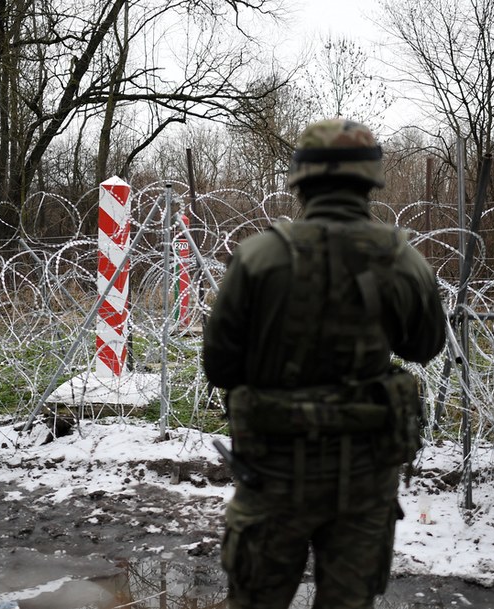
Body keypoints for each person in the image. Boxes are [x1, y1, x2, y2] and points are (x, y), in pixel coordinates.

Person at [202, 118, 446, 609]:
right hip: (365, 474)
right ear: (370, 180)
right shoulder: (401, 258)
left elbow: (220, 367)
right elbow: (425, 345)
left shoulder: (258, 257)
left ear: (300, 181)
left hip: (274, 471)